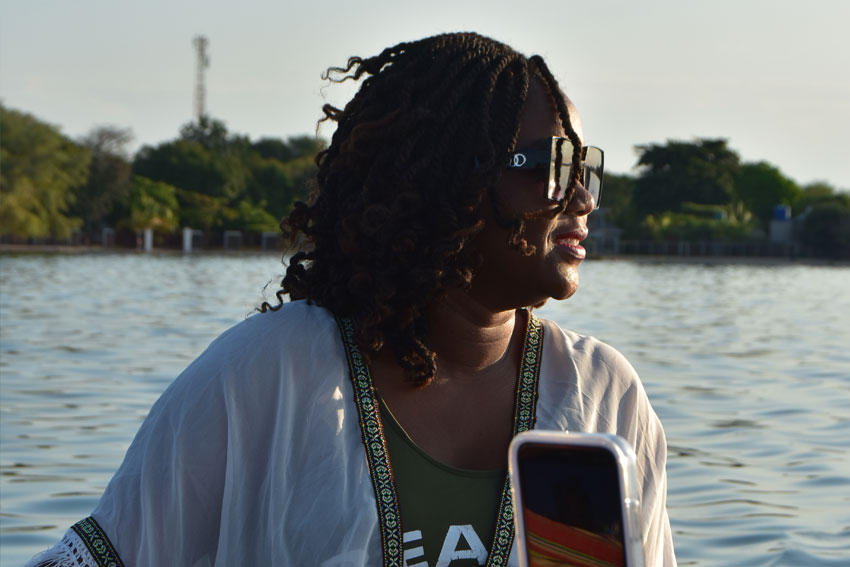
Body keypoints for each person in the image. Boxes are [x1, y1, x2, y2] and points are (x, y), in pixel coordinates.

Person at [28, 32, 676, 567]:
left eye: (586, 167)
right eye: (549, 164)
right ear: (448, 173)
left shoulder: (604, 396)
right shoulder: (266, 376)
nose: (584, 199)